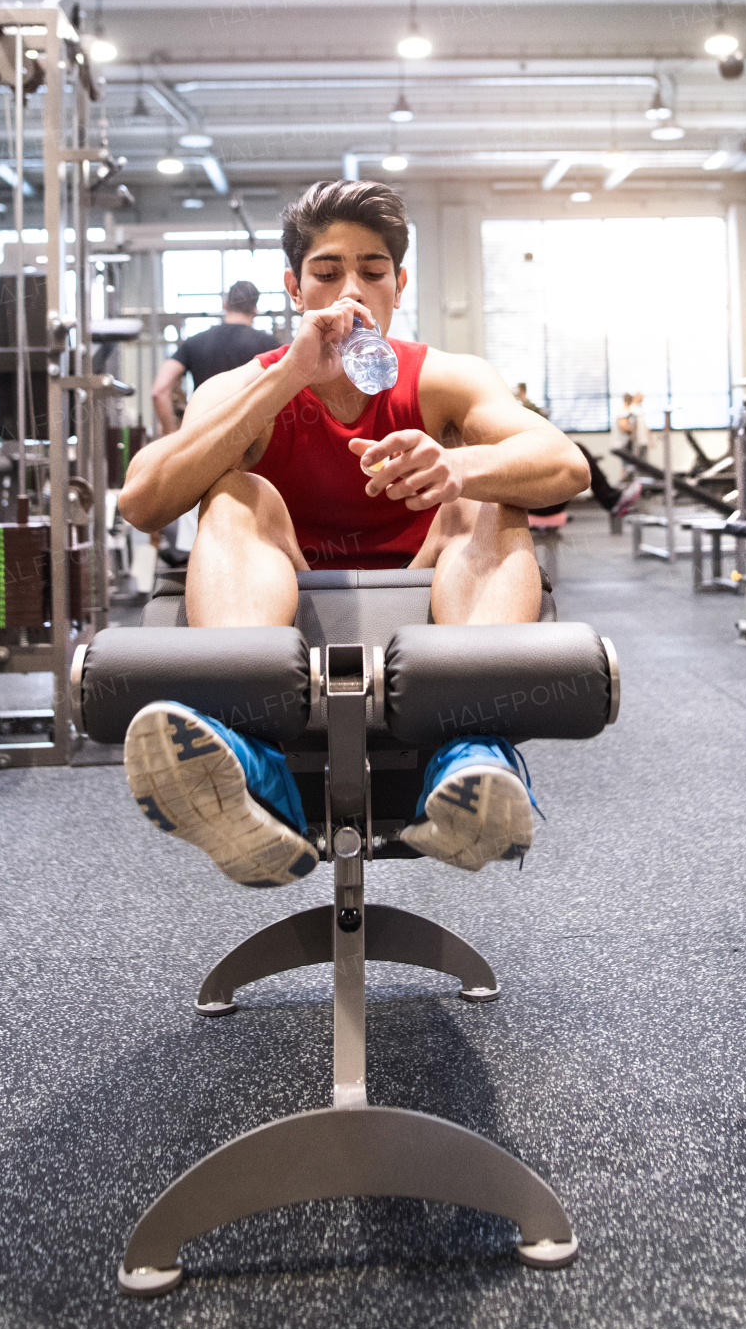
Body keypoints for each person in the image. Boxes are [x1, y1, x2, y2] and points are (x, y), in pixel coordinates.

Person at [118, 179, 589, 888]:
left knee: (490, 495)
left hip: (435, 608)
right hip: (287, 616)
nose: (352, 290)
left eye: (372, 272)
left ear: (399, 284)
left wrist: (458, 464)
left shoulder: (444, 379)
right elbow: (143, 501)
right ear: (294, 286)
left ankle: (471, 757)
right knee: (233, 492)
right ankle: (257, 767)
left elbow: (565, 464)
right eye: (327, 272)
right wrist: (285, 382)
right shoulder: (246, 386)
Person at [151, 280, 267, 434]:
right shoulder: (270, 346)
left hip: (204, 438)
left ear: (226, 305)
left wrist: (172, 435)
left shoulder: (194, 342)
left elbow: (159, 391)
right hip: (251, 440)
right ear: (255, 309)